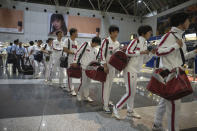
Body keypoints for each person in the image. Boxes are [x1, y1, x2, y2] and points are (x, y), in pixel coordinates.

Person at [153, 12, 197, 131]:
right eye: (188, 20)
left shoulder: (180, 38)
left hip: (176, 75)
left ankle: (157, 124)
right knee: (174, 107)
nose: (189, 22)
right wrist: (175, 46)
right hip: (170, 76)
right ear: (181, 22)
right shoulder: (169, 36)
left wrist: (193, 53)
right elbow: (158, 52)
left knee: (165, 102)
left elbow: (181, 58)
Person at [113, 25, 155, 119]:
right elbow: (128, 52)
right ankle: (116, 107)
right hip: (129, 69)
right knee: (130, 92)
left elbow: (144, 60)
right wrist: (141, 52)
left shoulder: (145, 43)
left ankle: (130, 111)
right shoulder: (136, 41)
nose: (150, 34)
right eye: (149, 32)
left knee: (132, 92)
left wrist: (152, 53)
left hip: (135, 70)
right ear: (144, 33)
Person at [72, 36, 101, 102]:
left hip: (91, 69)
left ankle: (86, 96)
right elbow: (78, 52)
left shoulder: (96, 49)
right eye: (96, 44)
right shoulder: (86, 44)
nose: (96, 45)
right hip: (84, 67)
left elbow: (95, 59)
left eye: (97, 45)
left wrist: (96, 67)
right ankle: (79, 94)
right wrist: (75, 61)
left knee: (88, 83)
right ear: (94, 42)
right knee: (83, 82)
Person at [100, 25, 120, 113]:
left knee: (110, 85)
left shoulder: (118, 43)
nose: (116, 34)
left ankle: (106, 100)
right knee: (106, 85)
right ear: (110, 33)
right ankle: (105, 105)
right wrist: (104, 66)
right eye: (114, 32)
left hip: (113, 68)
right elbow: (101, 54)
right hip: (106, 67)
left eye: (117, 32)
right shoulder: (106, 41)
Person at [63, 28, 78, 96]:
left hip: (74, 59)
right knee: (70, 74)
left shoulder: (76, 42)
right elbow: (64, 49)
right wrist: (72, 52)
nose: (77, 34)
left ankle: (68, 87)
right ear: (72, 33)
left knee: (71, 74)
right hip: (68, 59)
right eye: (76, 32)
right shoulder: (67, 40)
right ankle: (71, 89)